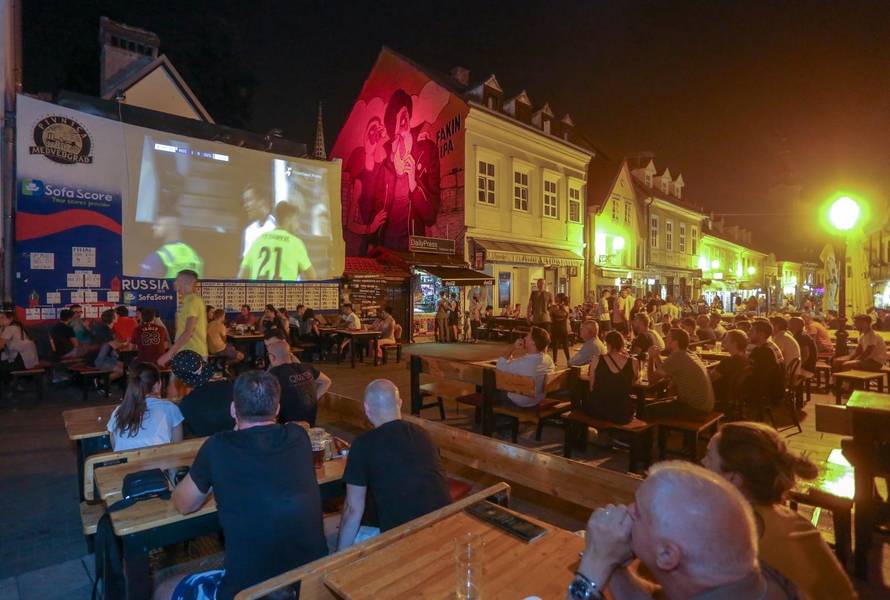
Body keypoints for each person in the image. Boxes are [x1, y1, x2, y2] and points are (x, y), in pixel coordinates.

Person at [168, 371, 328, 600]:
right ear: (277, 409)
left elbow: (184, 504)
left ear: (234, 410)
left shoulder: (217, 447)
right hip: (309, 582)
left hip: (249, 591)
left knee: (165, 587)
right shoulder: (299, 437)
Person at [572, 461, 799, 600]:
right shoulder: (757, 582)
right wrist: (612, 564)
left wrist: (595, 562)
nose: (627, 510)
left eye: (639, 512)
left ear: (667, 556)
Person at [703, 422, 857, 599]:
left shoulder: (744, 541)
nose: (702, 462)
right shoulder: (790, 519)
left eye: (708, 457)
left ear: (734, 478)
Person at [337, 379, 451, 549]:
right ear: (400, 403)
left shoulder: (363, 444)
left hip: (405, 540)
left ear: (366, 409)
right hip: (446, 526)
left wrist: (337, 558)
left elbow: (353, 510)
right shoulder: (423, 434)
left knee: (345, 534)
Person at [107, 363, 183, 451]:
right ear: (157, 385)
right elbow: (177, 448)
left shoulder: (118, 411)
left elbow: (115, 446)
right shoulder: (170, 408)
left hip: (128, 464)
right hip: (159, 463)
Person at [647, 328, 715, 419]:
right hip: (706, 405)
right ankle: (664, 432)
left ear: (675, 342)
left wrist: (650, 358)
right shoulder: (689, 353)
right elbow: (666, 371)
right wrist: (656, 356)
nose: (665, 340)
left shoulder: (677, 357)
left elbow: (651, 379)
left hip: (695, 408)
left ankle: (655, 432)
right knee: (660, 402)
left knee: (647, 410)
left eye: (667, 338)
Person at [239, 202, 316, 281]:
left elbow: (241, 275)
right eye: (296, 220)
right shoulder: (296, 243)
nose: (298, 225)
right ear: (288, 219)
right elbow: (311, 276)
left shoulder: (258, 241)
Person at [267, 342, 331, 427]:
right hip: (310, 425)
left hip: (287, 428)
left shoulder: (274, 374)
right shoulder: (306, 367)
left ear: (271, 357)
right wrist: (313, 400)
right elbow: (327, 381)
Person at [583, 330, 638, 424]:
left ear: (607, 344)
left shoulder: (597, 359)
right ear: (622, 344)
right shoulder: (633, 362)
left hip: (599, 410)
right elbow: (633, 383)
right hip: (622, 412)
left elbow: (591, 387)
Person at [495, 326, 556, 408]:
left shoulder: (524, 362)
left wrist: (513, 347)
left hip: (520, 401)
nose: (525, 338)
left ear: (533, 342)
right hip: (537, 399)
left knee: (492, 385)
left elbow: (499, 366)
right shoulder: (548, 359)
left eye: (528, 336)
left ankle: (495, 418)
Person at [158, 270, 208, 366]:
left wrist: (168, 354)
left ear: (184, 282)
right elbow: (181, 331)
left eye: (177, 280)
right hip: (186, 352)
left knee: (176, 381)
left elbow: (188, 332)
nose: (174, 282)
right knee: (174, 381)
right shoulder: (186, 301)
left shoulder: (193, 301)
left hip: (193, 353)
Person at [139, 215, 205, 279]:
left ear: (170, 228)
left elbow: (142, 287)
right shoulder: (194, 255)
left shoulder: (158, 257)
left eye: (158, 225)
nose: (153, 228)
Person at [709, 329, 751, 412]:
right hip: (734, 396)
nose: (723, 341)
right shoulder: (746, 359)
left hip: (719, 396)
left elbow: (710, 379)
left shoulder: (729, 361)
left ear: (734, 343)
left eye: (726, 340)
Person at [748, 320, 786, 405]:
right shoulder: (768, 346)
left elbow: (752, 372)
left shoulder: (764, 351)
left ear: (761, 334)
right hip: (774, 387)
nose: (748, 334)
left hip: (767, 389)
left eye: (751, 331)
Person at [240, 182, 277, 259]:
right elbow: (246, 264)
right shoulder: (249, 231)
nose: (245, 205)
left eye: (249, 200)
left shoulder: (276, 228)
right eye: (245, 202)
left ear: (262, 201)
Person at [0, 311, 38, 380]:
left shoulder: (10, 328)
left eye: (2, 317)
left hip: (22, 360)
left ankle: (10, 385)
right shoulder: (17, 326)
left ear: (10, 319)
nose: (0, 319)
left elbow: (1, 345)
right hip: (29, 360)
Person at [549, 293, 572, 364]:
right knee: (565, 345)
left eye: (556, 297)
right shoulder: (566, 307)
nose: (555, 298)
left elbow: (550, 315)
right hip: (563, 327)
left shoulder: (554, 307)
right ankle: (568, 360)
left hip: (556, 327)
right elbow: (567, 316)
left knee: (555, 345)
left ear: (559, 298)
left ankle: (555, 361)